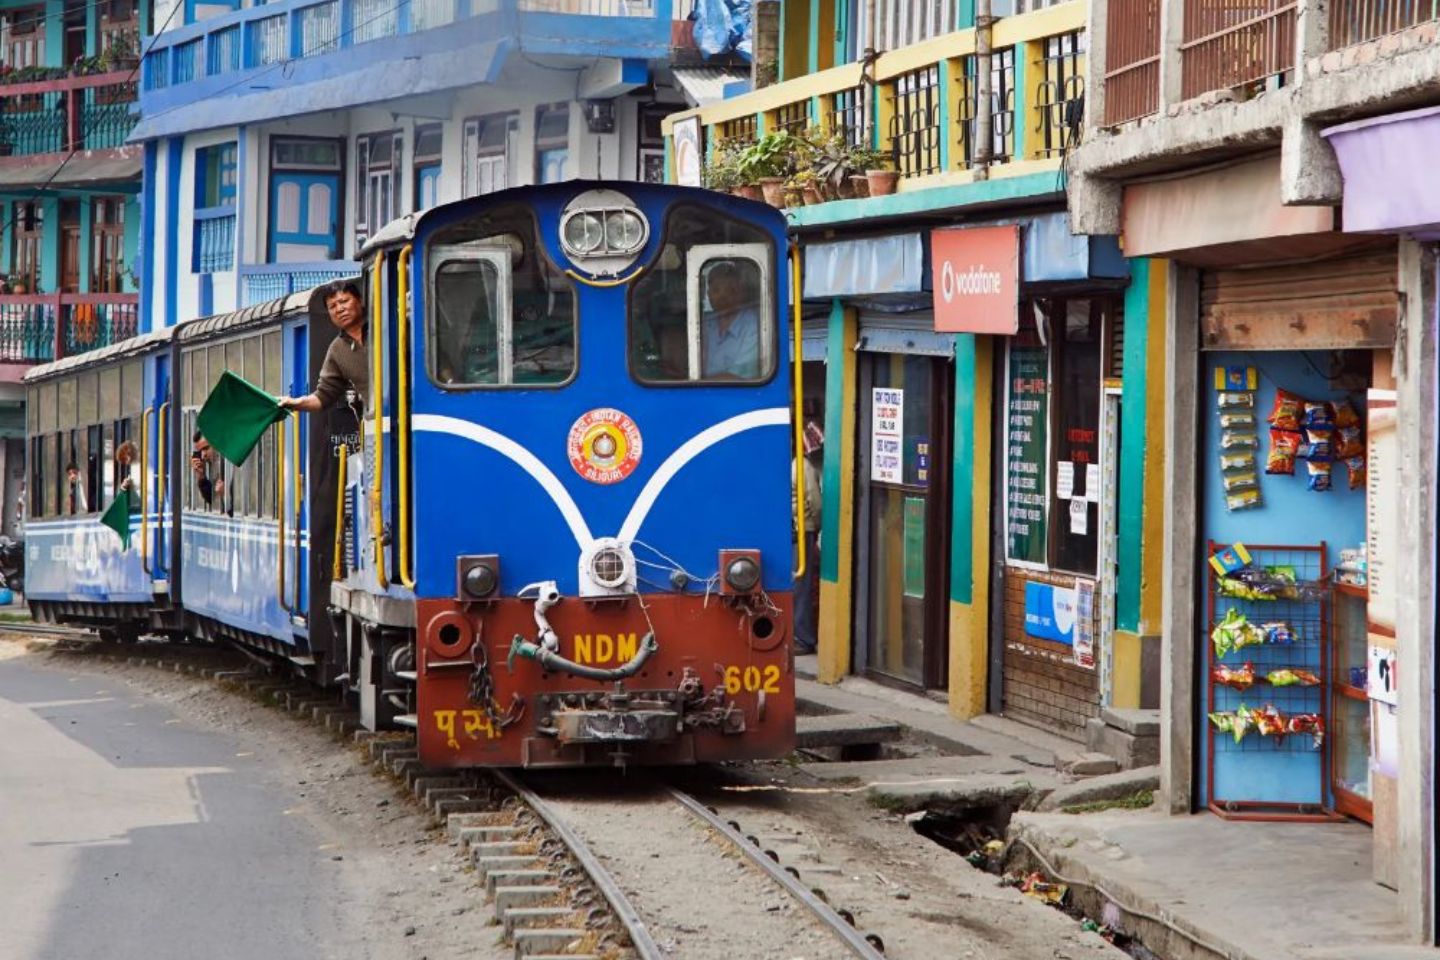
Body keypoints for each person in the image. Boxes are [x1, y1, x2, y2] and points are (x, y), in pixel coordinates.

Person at [278, 280, 367, 414]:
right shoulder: (337, 349)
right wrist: (295, 403)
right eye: (332, 306)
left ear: (360, 300)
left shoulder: (387, 326)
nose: (339, 309)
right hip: (380, 426)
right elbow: (323, 396)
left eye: (344, 301)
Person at [791, 421, 823, 655]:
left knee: (799, 585)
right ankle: (803, 636)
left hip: (799, 529)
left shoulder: (794, 465)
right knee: (801, 585)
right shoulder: (803, 466)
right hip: (804, 529)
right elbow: (815, 501)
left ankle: (803, 637)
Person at [701, 261, 761, 380]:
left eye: (731, 290)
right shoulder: (705, 322)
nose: (722, 297)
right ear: (708, 295)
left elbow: (739, 378)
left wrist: (697, 383)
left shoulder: (753, 325)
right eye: (716, 291)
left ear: (741, 293)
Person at [191, 432, 225, 512]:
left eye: (206, 448)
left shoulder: (230, 464)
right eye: (200, 451)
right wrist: (201, 476)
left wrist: (226, 493)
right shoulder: (212, 466)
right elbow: (211, 499)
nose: (203, 455)